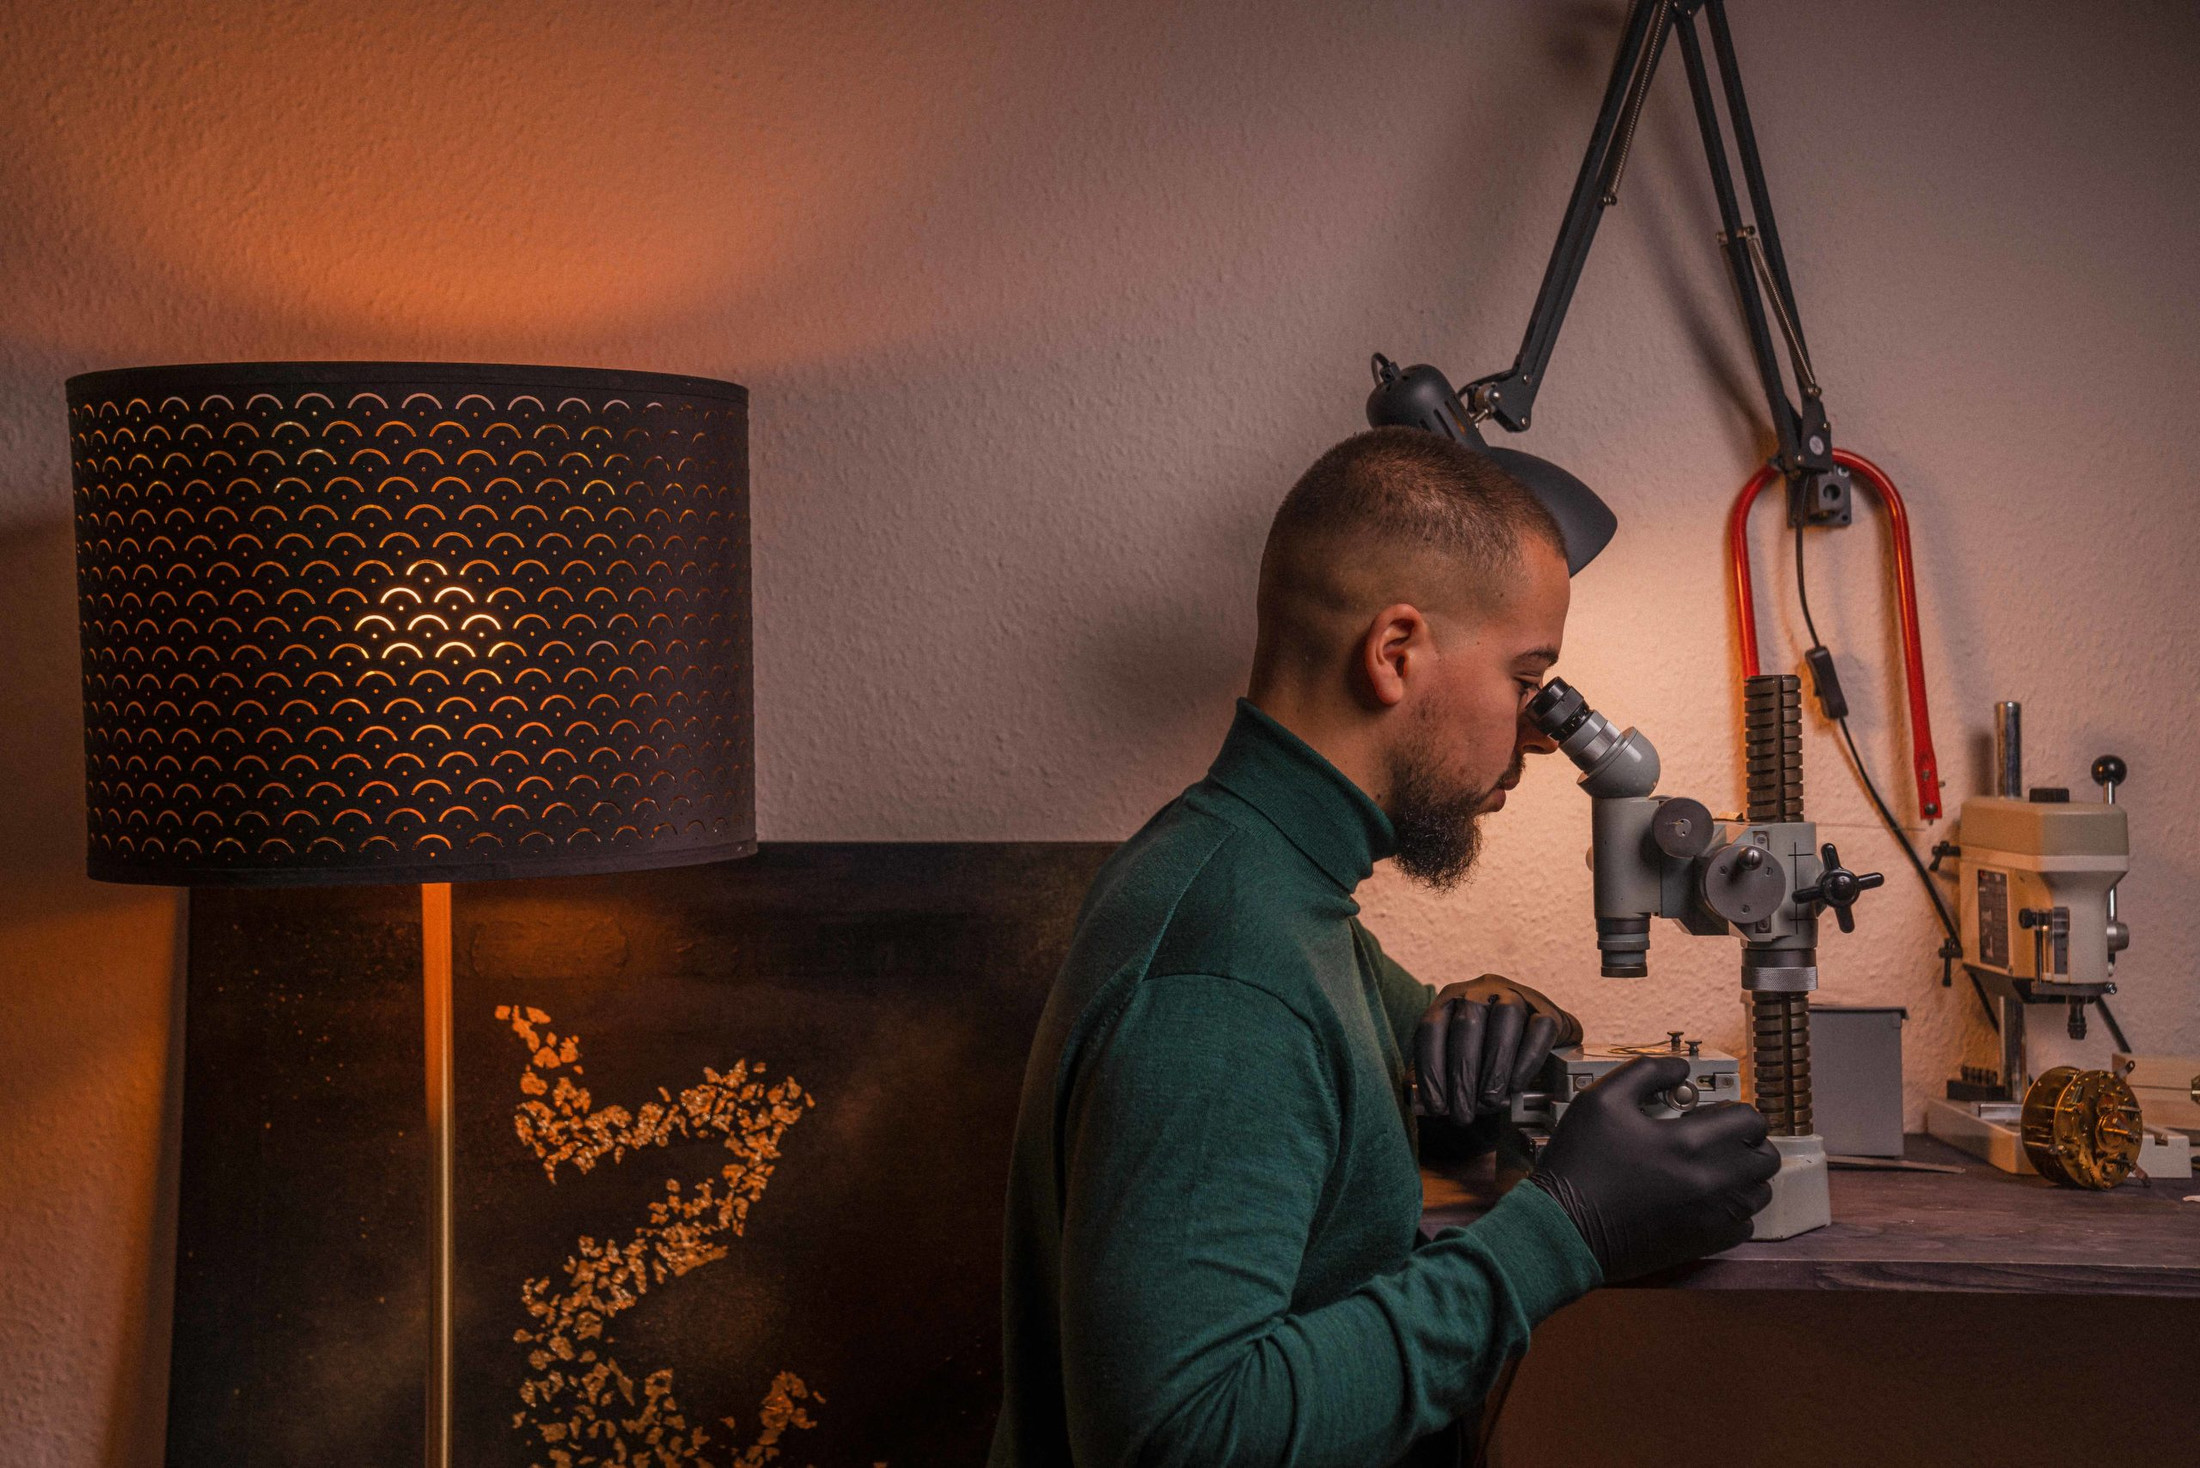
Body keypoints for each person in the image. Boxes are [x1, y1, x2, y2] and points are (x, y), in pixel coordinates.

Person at [988, 427, 1780, 1468]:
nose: (1542, 737)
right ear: (1395, 652)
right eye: (1526, 676)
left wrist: (1509, 1019)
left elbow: (1385, 1057)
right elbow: (1179, 1441)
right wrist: (1562, 1231)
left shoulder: (1269, 885)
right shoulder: (1227, 971)